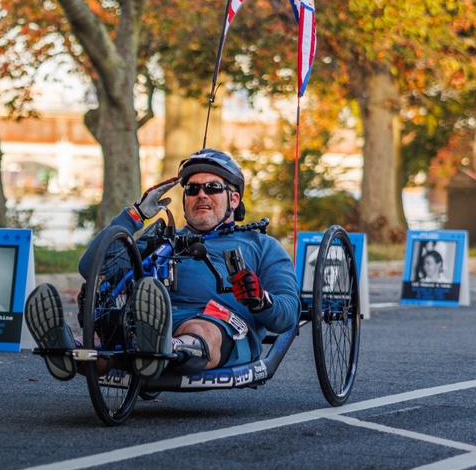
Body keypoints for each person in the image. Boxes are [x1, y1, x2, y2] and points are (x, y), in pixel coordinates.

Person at [25, 148, 300, 381]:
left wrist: (259, 299)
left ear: (234, 199)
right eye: (192, 189)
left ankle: (165, 347)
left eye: (213, 187)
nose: (201, 194)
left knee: (201, 329)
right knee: (106, 340)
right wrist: (136, 214)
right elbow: (92, 267)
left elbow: (288, 313)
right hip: (145, 319)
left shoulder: (261, 245)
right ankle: (68, 350)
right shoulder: (161, 237)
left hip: (217, 324)